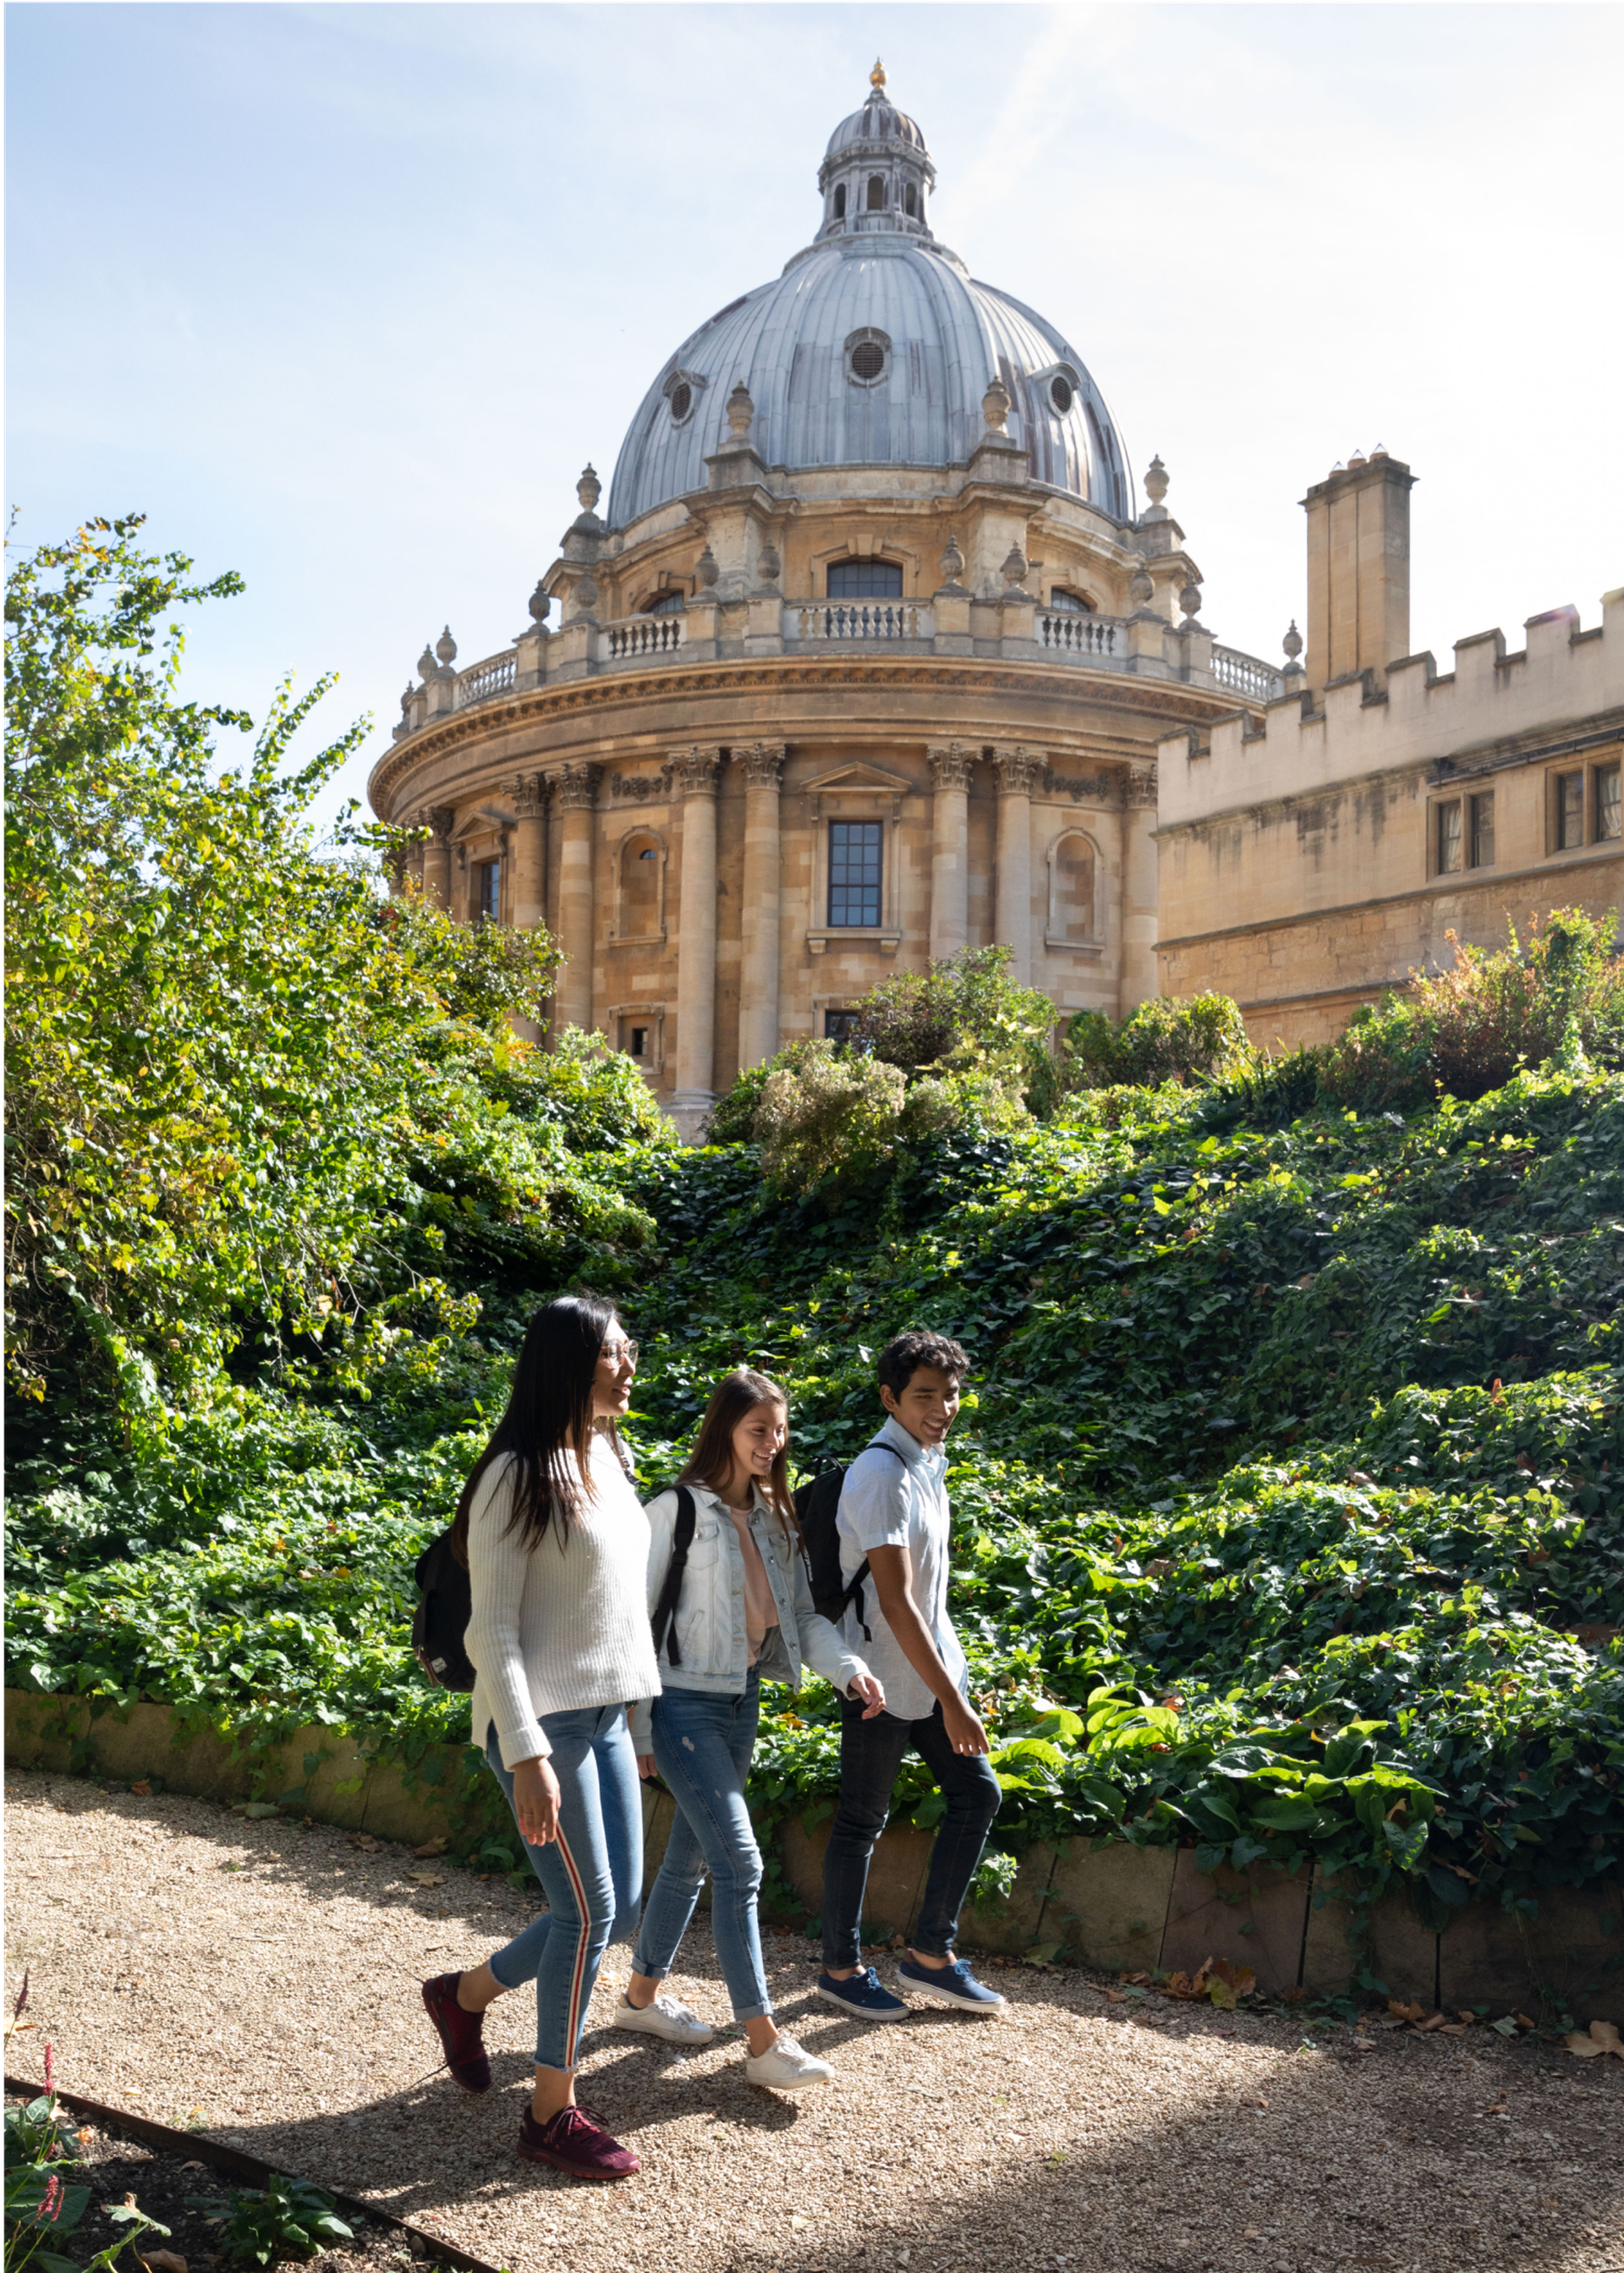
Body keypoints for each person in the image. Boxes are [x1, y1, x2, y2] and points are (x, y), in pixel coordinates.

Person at [418, 1294, 657, 2182]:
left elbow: (617, 1611)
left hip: (603, 1716)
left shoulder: (605, 1452)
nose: (628, 1365)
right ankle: (550, 2112)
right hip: (540, 1724)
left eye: (628, 1350)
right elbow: (496, 1634)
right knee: (589, 1911)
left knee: (611, 1907)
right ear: (569, 1359)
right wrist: (525, 1752)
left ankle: (461, 1995)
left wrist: (637, 1719)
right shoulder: (515, 1474)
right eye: (614, 1352)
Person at [619, 1368, 886, 2089]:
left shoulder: (776, 1514)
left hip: (741, 1704)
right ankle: (764, 2040)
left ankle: (640, 1999)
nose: (773, 1443)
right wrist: (640, 1730)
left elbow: (801, 1617)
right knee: (740, 1863)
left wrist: (848, 1668)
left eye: (780, 1431)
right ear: (724, 1431)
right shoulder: (671, 1511)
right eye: (757, 1430)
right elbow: (635, 1625)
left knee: (691, 1858)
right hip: (679, 1706)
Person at [815, 1329, 1006, 2019]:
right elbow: (894, 1602)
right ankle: (840, 1968)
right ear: (890, 1396)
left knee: (975, 1797)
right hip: (880, 1677)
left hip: (925, 1672)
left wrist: (951, 1680)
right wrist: (953, 1701)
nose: (943, 1406)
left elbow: (927, 1595)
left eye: (951, 1393)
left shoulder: (927, 1460)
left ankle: (930, 1955)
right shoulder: (881, 1475)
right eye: (925, 1394)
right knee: (862, 1820)